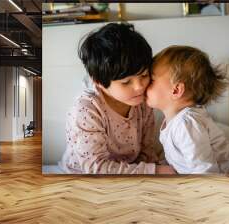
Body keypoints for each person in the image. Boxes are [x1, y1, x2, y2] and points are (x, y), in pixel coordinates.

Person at [59, 23, 176, 174]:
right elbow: (96, 167)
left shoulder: (142, 100)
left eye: (144, 75)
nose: (139, 86)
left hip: (129, 171)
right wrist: (154, 171)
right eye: (126, 82)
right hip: (82, 174)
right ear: (99, 82)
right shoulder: (87, 110)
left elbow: (147, 151)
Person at [145, 45, 229, 174]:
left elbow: (204, 170)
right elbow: (179, 159)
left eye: (152, 80)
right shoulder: (175, 121)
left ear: (176, 90)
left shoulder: (186, 123)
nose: (145, 84)